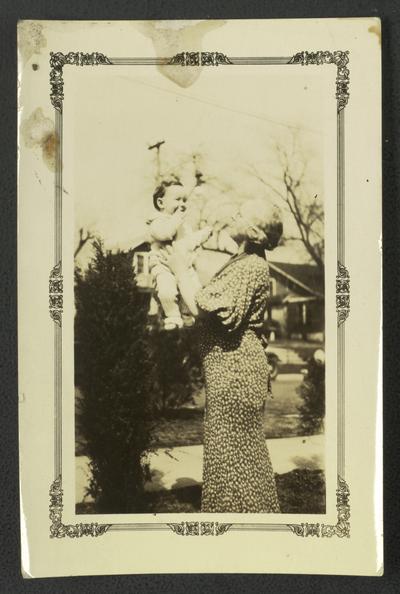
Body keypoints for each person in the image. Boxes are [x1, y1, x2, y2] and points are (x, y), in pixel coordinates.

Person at [163, 198, 283, 513]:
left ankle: (241, 524)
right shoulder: (242, 262)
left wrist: (178, 269)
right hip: (230, 366)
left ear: (254, 230)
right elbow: (206, 301)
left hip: (235, 368)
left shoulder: (250, 266)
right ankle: (245, 521)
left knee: (233, 451)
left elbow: (203, 309)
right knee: (233, 451)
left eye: (242, 212)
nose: (234, 213)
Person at [147, 177, 211, 330]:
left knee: (195, 292)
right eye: (177, 200)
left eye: (184, 200)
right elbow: (165, 234)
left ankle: (187, 315)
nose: (182, 204)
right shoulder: (157, 221)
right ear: (161, 203)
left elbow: (189, 242)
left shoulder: (183, 226)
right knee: (167, 292)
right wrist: (176, 219)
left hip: (185, 267)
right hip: (164, 266)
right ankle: (173, 316)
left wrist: (203, 234)